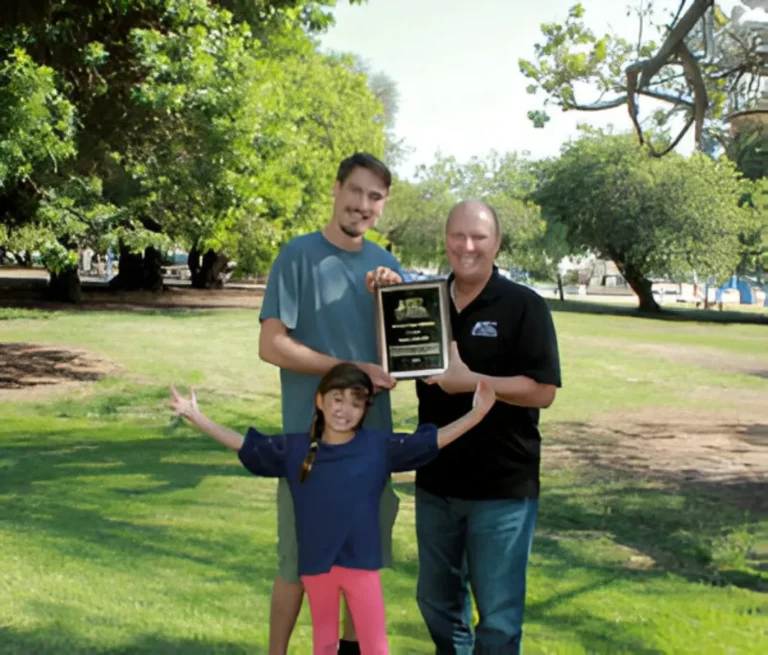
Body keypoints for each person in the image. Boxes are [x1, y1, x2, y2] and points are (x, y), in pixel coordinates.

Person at [168, 363, 497, 655]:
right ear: (319, 401)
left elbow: (430, 441)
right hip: (317, 566)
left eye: (356, 403)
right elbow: (247, 445)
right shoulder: (296, 449)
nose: (344, 409)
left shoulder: (377, 447)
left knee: (375, 645)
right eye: (337, 399)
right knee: (323, 644)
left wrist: (477, 415)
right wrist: (197, 416)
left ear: (365, 409)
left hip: (362, 565)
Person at [371, 199, 561, 653]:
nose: (467, 246)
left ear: (496, 242)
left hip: (503, 489)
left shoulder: (523, 306)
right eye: (458, 235)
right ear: (446, 240)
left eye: (478, 237)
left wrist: (470, 382)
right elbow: (394, 357)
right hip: (436, 480)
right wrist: (381, 298)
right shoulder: (425, 301)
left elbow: (543, 391)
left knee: (497, 616)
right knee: (436, 601)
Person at [257, 152, 404, 654]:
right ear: (337, 188)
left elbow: (398, 362)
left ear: (383, 206)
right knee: (298, 562)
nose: (363, 205)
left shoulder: (389, 268)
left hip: (370, 446)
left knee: (358, 565)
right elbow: (272, 344)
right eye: (357, 191)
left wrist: (391, 302)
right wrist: (347, 371)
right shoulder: (297, 257)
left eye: (375, 197)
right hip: (310, 445)